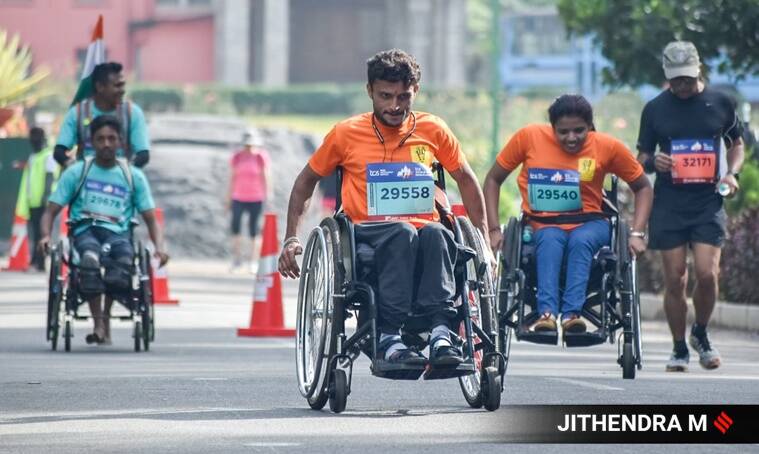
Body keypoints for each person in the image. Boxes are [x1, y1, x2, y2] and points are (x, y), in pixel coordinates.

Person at [277, 49, 490, 366]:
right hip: (367, 232)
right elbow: (306, 182)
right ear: (370, 92)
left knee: (438, 235)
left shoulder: (433, 130)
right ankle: (388, 336)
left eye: (404, 97)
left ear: (415, 91)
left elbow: (467, 181)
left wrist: (484, 239)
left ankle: (442, 333)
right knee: (401, 233)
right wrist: (292, 237)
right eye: (385, 96)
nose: (395, 106)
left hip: (423, 227)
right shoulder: (346, 134)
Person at [484, 94, 653, 334]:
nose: (571, 138)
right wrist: (492, 229)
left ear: (590, 127)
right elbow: (493, 179)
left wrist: (637, 232)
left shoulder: (607, 146)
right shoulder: (529, 137)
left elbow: (643, 187)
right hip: (543, 223)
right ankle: (547, 314)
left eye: (579, 131)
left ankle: (572, 314)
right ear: (552, 128)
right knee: (550, 240)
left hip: (590, 223)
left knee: (580, 240)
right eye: (563, 132)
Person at [636, 41, 744, 372]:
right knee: (675, 279)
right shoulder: (655, 108)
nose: (681, 85)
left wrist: (732, 173)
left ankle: (700, 333)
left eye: (686, 78)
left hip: (707, 201)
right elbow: (641, 158)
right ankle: (679, 347)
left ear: (698, 70)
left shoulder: (721, 103)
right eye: (675, 79)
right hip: (669, 203)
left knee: (708, 275)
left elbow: (736, 143)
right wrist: (657, 161)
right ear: (666, 75)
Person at [39, 115, 168, 345]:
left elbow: (150, 218)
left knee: (121, 262)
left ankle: (103, 322)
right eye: (101, 139)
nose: (106, 144)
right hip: (84, 232)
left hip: (118, 233)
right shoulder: (77, 172)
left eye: (111, 138)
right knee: (90, 259)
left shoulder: (133, 175)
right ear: (92, 142)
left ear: (120, 142)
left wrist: (159, 247)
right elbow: (50, 211)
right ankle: (99, 325)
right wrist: (46, 236)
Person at [54, 62, 151, 168]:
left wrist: (125, 174)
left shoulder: (132, 113)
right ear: (100, 87)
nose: (122, 91)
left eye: (123, 85)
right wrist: (76, 171)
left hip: (120, 180)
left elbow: (143, 155)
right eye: (117, 86)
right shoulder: (77, 113)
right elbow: (59, 152)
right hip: (87, 181)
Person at [15, 127, 58, 271]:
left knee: (42, 233)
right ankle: (35, 261)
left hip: (43, 203)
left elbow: (49, 178)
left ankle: (40, 263)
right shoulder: (33, 157)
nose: (33, 141)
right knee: (35, 233)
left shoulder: (48, 156)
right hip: (32, 202)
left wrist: (46, 198)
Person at [227, 131, 270, 272]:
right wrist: (228, 197)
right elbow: (231, 177)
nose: (248, 147)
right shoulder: (237, 157)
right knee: (236, 228)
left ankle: (253, 260)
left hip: (256, 198)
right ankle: (236, 259)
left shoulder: (260, 157)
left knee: (254, 230)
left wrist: (268, 195)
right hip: (238, 196)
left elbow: (266, 176)